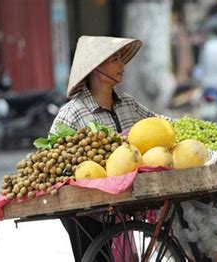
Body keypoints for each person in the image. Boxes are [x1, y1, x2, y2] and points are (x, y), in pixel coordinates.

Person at [50, 36, 159, 261]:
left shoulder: (127, 102)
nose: (122, 66)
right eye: (115, 60)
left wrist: (188, 126)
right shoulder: (72, 113)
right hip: (87, 210)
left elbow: (158, 123)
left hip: (123, 204)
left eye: (121, 60)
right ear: (96, 68)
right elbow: (51, 161)